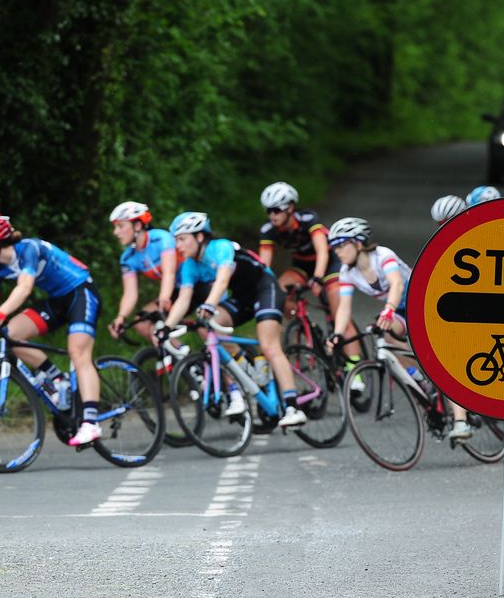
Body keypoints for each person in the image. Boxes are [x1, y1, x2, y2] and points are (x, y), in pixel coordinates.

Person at [0, 214, 105, 446]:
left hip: (82, 292)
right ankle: (59, 381)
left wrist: (2, 312)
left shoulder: (29, 248)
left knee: (79, 354)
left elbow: (25, 287)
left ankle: (90, 423)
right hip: (58, 300)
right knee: (11, 335)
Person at [325, 218, 472, 442]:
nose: (337, 251)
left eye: (341, 245)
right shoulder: (347, 272)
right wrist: (337, 334)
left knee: (439, 360)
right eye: (334, 246)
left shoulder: (382, 255)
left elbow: (397, 283)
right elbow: (344, 307)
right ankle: (419, 381)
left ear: (357, 244)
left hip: (423, 301)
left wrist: (388, 310)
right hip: (400, 311)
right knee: (387, 340)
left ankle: (461, 421)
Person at [163, 211, 306, 428]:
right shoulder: (191, 265)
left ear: (199, 237)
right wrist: (165, 328)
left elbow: (221, 280)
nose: (178, 246)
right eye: (175, 241)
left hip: (265, 289)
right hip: (242, 298)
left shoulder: (220, 248)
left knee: (269, 345)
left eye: (182, 239)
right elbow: (183, 299)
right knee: (208, 328)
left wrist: (209, 305)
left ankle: (293, 406)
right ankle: (248, 369)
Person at [256, 181, 362, 375]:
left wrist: (318, 278)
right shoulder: (268, 230)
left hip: (330, 263)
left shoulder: (308, 219)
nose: (272, 215)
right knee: (278, 289)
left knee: (340, 315)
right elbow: (264, 266)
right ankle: (302, 324)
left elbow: (322, 250)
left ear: (290, 208)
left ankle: (355, 372)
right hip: (302, 265)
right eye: (268, 211)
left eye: (276, 210)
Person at [105, 201, 178, 345]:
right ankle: (183, 358)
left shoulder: (161, 239)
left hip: (192, 285)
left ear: (137, 225)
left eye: (120, 226)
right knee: (141, 323)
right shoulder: (128, 257)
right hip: (174, 291)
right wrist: (121, 317)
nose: (116, 232)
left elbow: (169, 273)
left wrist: (163, 298)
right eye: (115, 227)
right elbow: (130, 293)